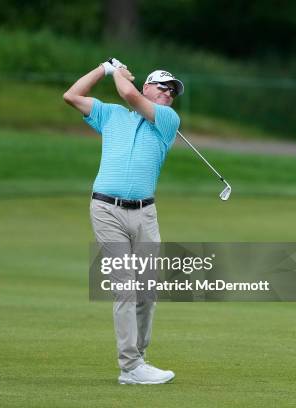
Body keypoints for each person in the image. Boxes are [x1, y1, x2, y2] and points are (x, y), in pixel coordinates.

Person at [62, 58, 183, 385]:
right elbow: (71, 96)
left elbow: (130, 95)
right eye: (163, 87)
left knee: (146, 292)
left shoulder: (167, 120)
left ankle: (139, 358)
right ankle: (129, 366)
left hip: (145, 214)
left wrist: (119, 75)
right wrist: (103, 69)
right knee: (126, 288)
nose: (169, 93)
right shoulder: (109, 114)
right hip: (106, 210)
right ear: (147, 86)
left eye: (173, 90)